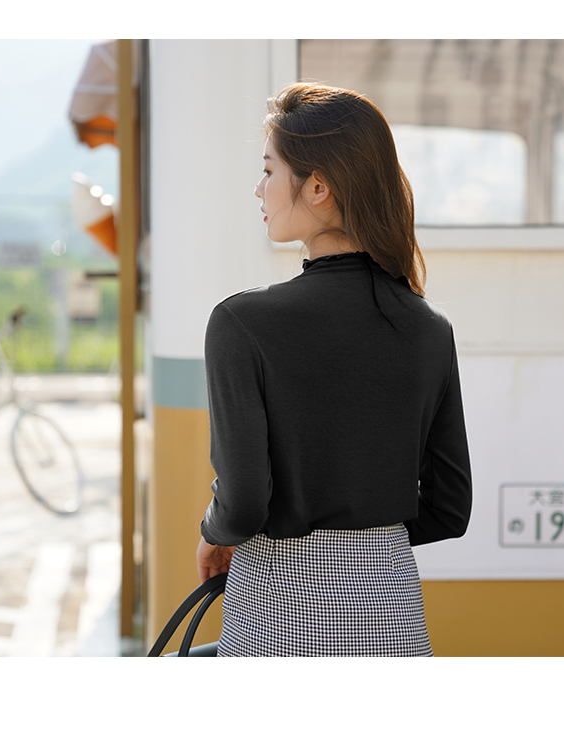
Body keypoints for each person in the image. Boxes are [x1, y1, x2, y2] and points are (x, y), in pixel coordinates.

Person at [196, 83, 472, 657]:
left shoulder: (241, 323)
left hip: (278, 619)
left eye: (268, 170)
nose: (259, 188)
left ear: (317, 186)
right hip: (394, 621)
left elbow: (242, 505)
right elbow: (449, 509)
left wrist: (214, 532)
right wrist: (367, 542)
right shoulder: (429, 327)